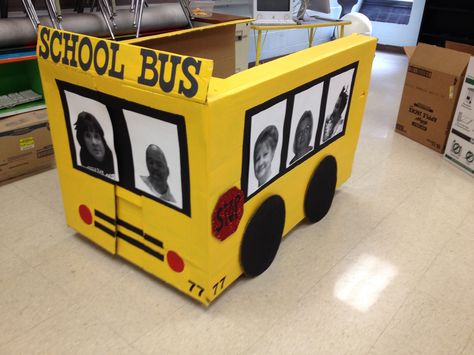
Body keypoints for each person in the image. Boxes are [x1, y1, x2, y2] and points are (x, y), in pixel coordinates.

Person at [74, 111, 115, 177]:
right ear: (82, 139)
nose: (94, 142)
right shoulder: (83, 155)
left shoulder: (110, 155)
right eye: (88, 136)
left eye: (96, 136)